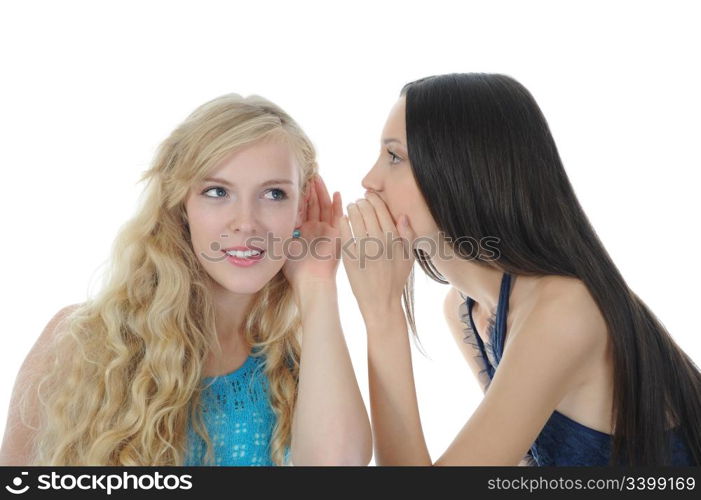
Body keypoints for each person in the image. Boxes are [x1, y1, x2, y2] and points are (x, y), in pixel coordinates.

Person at [340, 73, 701, 466]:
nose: (369, 180)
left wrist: (382, 313)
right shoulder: (468, 308)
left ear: (463, 172)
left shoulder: (564, 310)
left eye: (394, 156)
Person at [0, 93, 371, 466]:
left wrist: (317, 282)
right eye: (217, 192)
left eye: (274, 194)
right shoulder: (81, 341)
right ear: (181, 205)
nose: (246, 222)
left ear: (300, 208)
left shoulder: (297, 373)